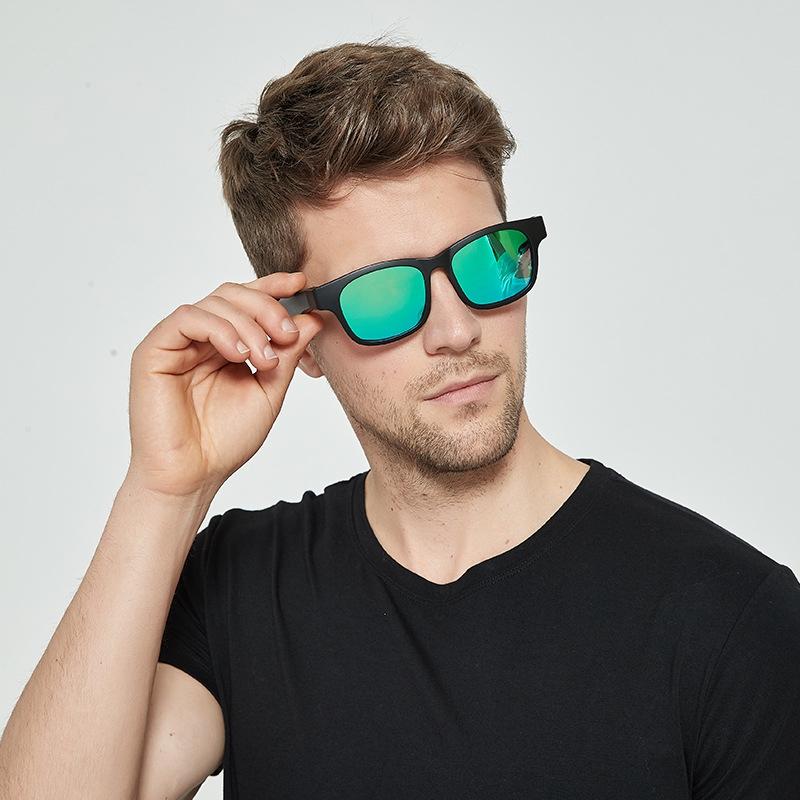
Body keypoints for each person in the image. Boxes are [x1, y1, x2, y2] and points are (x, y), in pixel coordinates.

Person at [2, 37, 799, 800]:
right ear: (299, 338)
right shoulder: (243, 589)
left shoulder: (732, 615)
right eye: (385, 294)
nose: (458, 330)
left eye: (486, 262)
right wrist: (164, 491)